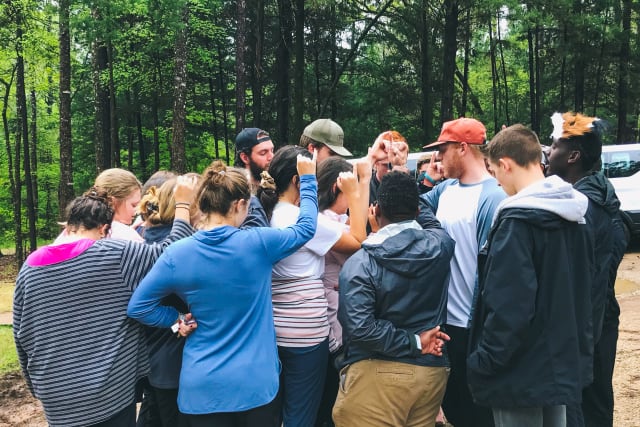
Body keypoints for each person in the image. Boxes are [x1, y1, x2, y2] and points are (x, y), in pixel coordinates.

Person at [127, 155, 318, 427]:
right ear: (240, 204)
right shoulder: (258, 243)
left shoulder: (177, 254)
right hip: (256, 384)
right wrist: (308, 179)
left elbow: (139, 306)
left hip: (202, 388)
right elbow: (306, 228)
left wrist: (175, 320)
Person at [13, 177, 197, 427]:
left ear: (69, 225)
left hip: (55, 396)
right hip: (106, 394)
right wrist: (184, 205)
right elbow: (171, 252)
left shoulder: (31, 265)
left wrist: (37, 387)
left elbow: (21, 334)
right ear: (104, 229)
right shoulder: (113, 255)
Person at [467, 124, 594, 427]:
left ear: (506, 165)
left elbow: (509, 305)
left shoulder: (516, 223)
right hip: (557, 364)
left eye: (495, 173)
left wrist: (484, 360)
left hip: (518, 372)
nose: (497, 183)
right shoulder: (574, 214)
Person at [332, 171, 454, 426]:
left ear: (375, 211)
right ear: (417, 212)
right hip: (431, 374)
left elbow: (361, 329)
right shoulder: (442, 245)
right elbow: (430, 221)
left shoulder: (360, 264)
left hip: (377, 376)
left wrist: (415, 342)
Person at [259, 145, 368, 427]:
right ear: (299, 181)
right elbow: (357, 242)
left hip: (272, 328)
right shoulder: (304, 220)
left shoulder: (265, 214)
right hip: (306, 333)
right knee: (301, 414)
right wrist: (356, 193)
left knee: (274, 410)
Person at [419, 117, 505, 427]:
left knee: (477, 411)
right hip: (445, 325)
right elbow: (410, 206)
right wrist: (427, 179)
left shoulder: (494, 196)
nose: (438, 158)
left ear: (463, 148)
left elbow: (496, 269)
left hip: (473, 326)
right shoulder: (445, 190)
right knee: (454, 407)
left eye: (442, 150)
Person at [546, 112, 626, 427]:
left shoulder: (581, 209)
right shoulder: (603, 199)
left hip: (584, 330)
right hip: (600, 324)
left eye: (553, 146)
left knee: (580, 410)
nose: (549, 152)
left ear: (574, 156)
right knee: (596, 406)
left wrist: (575, 344)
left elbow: (586, 282)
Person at [313, 156, 371, 427]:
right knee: (329, 400)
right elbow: (360, 245)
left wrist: (365, 179)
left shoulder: (334, 217)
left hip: (336, 315)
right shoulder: (322, 220)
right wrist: (357, 190)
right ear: (338, 188)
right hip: (329, 320)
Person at [55, 167, 145, 243]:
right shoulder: (126, 236)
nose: (138, 210)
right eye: (134, 205)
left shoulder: (71, 232)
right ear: (113, 202)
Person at [234, 127, 275, 228]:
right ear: (245, 158)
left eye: (272, 150)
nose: (271, 157)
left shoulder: (271, 182)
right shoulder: (234, 190)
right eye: (263, 153)